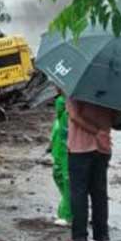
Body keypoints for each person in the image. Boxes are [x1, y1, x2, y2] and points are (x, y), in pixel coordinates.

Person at [65, 98, 118, 241]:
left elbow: (74, 116)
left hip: (80, 148)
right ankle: (102, 236)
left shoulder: (76, 92)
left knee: (79, 193)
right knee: (99, 193)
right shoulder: (112, 94)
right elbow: (117, 120)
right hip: (103, 148)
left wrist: (96, 131)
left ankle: (80, 238)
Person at [51, 95, 72, 226]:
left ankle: (68, 213)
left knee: (68, 179)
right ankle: (65, 209)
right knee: (59, 175)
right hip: (60, 146)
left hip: (69, 148)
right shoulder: (61, 103)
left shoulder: (70, 106)